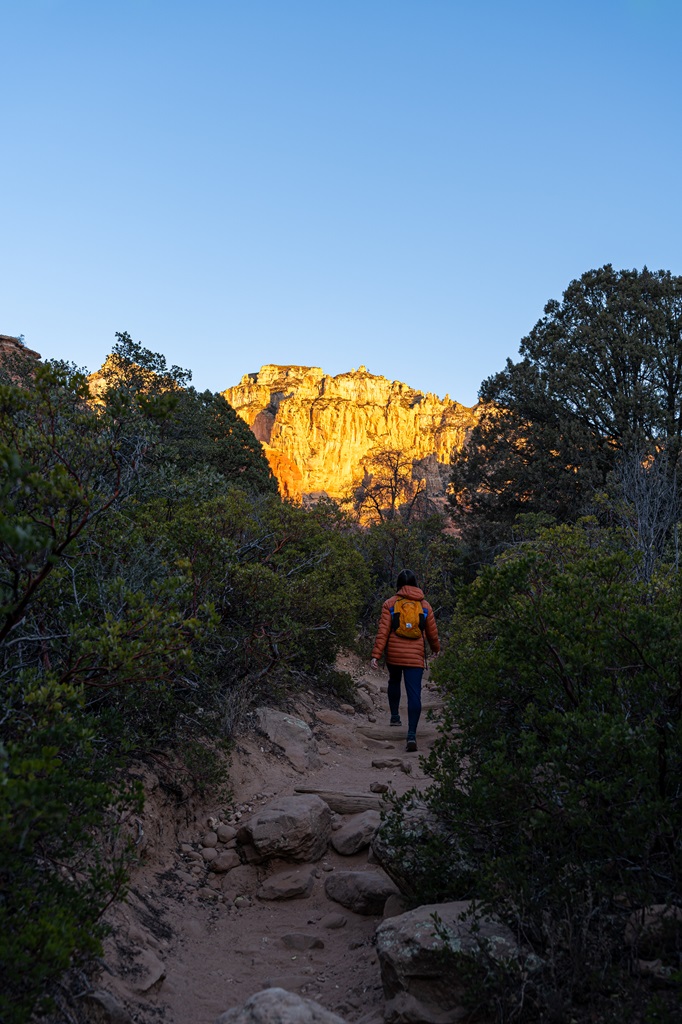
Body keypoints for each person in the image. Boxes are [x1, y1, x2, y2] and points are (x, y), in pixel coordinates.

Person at [370, 569, 440, 752]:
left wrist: (376, 655)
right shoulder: (425, 606)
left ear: (398, 585)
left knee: (394, 680)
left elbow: (383, 631)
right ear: (416, 584)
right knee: (414, 694)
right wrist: (436, 649)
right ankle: (411, 735)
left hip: (394, 652)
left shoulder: (390, 603)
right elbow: (432, 633)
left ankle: (394, 716)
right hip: (415, 655)